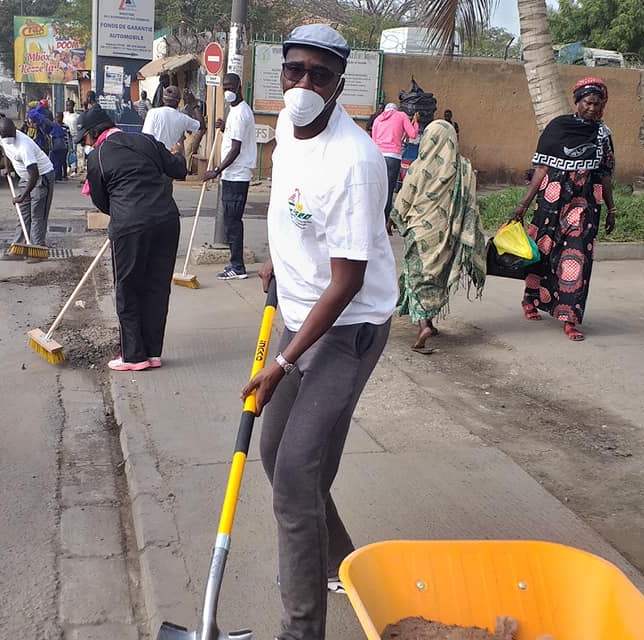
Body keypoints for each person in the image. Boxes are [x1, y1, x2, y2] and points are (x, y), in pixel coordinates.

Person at [240, 24, 396, 640]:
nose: (304, 85)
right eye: (294, 71)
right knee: (275, 456)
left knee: (297, 477)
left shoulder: (355, 160)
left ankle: (301, 630)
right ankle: (337, 560)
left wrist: (284, 362)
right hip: (300, 313)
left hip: (346, 329)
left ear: (338, 84)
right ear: (280, 71)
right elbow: (293, 203)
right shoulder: (283, 127)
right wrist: (282, 256)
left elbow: (348, 280)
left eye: (320, 75)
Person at [78, 107, 188, 371]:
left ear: (95, 133)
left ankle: (133, 356)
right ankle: (152, 352)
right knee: (157, 287)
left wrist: (123, 215)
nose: (86, 143)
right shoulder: (146, 140)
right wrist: (179, 153)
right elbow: (178, 169)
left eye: (85, 138)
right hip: (166, 220)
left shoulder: (98, 157)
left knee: (128, 288)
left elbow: (102, 201)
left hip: (130, 225)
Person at [509, 77, 618, 342]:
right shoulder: (558, 127)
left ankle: (569, 317)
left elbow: (604, 175)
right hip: (550, 199)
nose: (593, 108)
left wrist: (612, 208)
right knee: (543, 252)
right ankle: (531, 298)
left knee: (576, 256)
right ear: (577, 102)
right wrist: (523, 205)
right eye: (589, 103)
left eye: (598, 104)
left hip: (585, 205)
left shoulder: (603, 136)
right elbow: (541, 168)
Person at [390, 120, 487, 353]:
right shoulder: (463, 168)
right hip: (447, 233)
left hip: (420, 231)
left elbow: (405, 197)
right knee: (436, 276)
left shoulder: (420, 167)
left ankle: (423, 325)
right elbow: (470, 203)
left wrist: (393, 219)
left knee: (417, 276)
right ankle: (430, 322)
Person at [202, 73, 257, 280]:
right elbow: (234, 138)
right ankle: (235, 264)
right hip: (231, 174)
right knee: (231, 221)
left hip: (237, 175)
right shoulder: (234, 111)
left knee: (233, 222)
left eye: (230, 86)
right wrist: (224, 128)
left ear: (239, 87)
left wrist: (216, 170)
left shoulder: (241, 113)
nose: (227, 91)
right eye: (225, 87)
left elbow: (236, 149)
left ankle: (238, 266)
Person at [0, 117, 55, 263]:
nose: (8, 139)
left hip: (41, 176)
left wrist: (23, 195)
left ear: (15, 131)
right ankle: (19, 247)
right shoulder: (1, 137)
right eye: (5, 136)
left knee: (37, 214)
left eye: (11, 135)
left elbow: (34, 175)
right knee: (23, 214)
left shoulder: (24, 146)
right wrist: (7, 167)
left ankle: (37, 249)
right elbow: (6, 151)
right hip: (24, 176)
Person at [370, 103, 419, 226]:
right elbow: (413, 134)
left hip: (377, 156)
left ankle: (373, 218)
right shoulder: (401, 116)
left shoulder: (378, 119)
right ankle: (384, 221)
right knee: (388, 190)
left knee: (377, 188)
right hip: (393, 157)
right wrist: (416, 122)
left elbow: (373, 140)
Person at [142, 86, 201, 152]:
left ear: (163, 99)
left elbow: (146, 139)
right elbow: (201, 126)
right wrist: (194, 104)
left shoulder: (152, 113)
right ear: (178, 102)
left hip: (153, 157)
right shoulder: (182, 118)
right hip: (170, 158)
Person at [182, 88, 207, 174]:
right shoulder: (187, 106)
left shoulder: (196, 105)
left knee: (190, 150)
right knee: (188, 150)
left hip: (197, 130)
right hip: (192, 131)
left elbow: (201, 124)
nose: (185, 98)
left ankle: (187, 170)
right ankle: (189, 169)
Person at [48, 112, 70, 181]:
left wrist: (69, 146)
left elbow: (68, 136)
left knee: (63, 161)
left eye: (60, 117)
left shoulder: (65, 126)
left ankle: (64, 175)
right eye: (57, 117)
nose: (58, 118)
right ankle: (57, 176)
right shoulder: (53, 126)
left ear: (62, 117)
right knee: (55, 161)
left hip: (64, 146)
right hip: (55, 146)